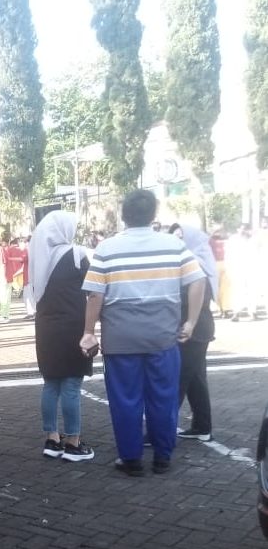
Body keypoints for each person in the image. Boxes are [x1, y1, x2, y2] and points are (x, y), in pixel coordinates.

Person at [80, 190, 205, 476]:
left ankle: (131, 459)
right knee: (163, 398)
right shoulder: (174, 245)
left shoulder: (107, 248)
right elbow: (197, 281)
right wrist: (190, 322)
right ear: (153, 214)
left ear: (124, 215)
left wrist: (88, 331)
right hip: (163, 338)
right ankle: (162, 457)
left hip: (120, 340)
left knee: (125, 400)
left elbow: (95, 295)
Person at [28, 211, 94, 461]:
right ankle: (73, 443)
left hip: (45, 328)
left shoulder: (38, 257)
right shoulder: (77, 254)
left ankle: (52, 439)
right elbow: (94, 289)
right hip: (73, 327)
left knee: (51, 384)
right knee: (71, 384)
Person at [176, 225, 217, 442]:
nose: (176, 240)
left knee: (178, 380)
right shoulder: (198, 261)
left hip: (193, 331)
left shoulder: (195, 265)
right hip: (199, 329)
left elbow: (191, 299)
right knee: (196, 379)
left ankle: (159, 431)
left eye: (180, 236)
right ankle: (202, 426)